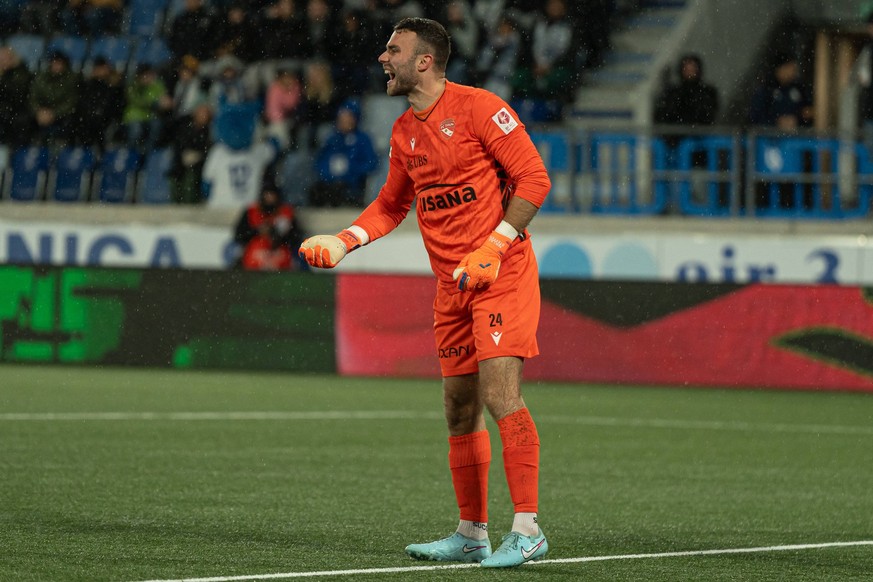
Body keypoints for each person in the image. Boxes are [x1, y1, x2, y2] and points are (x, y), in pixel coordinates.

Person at [298, 17, 551, 568]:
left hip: (500, 274)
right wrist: (344, 240)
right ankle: (471, 534)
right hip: (451, 286)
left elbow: (535, 179)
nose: (382, 58)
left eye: (393, 50)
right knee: (459, 408)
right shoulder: (403, 132)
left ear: (424, 61)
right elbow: (391, 205)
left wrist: (495, 245)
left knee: (499, 394)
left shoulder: (481, 108)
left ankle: (527, 529)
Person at [308, 98, 379, 207]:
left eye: (348, 118)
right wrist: (329, 174)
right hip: (330, 183)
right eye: (341, 118)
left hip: (352, 187)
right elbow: (320, 162)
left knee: (342, 192)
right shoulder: (332, 138)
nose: (344, 121)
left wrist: (351, 170)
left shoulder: (363, 139)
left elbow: (371, 163)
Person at [233, 179, 303, 270]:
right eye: (267, 194)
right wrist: (257, 231)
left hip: (280, 256)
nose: (269, 198)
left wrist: (277, 234)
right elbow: (239, 235)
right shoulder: (251, 212)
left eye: (272, 194)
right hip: (254, 257)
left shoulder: (286, 213)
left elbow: (295, 238)